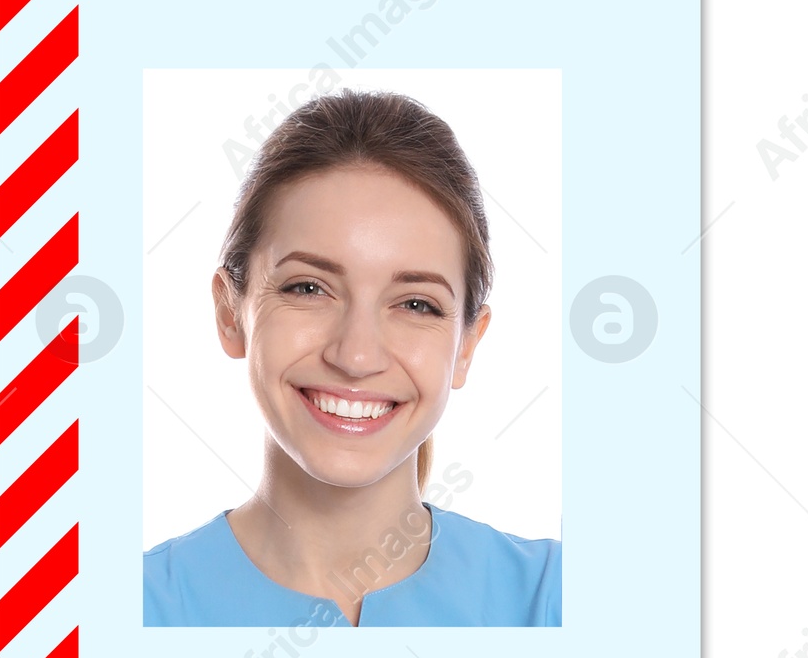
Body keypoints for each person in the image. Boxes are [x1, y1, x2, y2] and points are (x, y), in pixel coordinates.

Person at [144, 89, 560, 628]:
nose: (357, 355)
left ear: (466, 346)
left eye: (416, 303)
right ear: (230, 313)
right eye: (308, 288)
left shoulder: (555, 600)